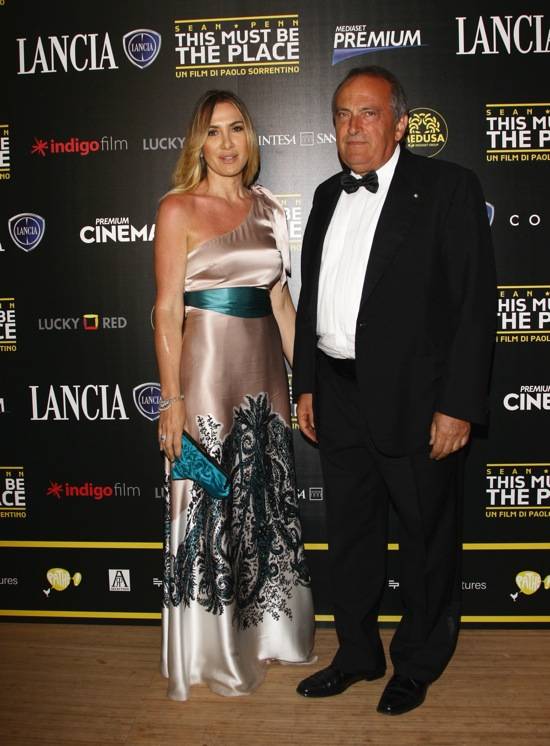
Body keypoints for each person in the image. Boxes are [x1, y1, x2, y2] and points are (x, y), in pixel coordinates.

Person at [293, 66, 496, 715]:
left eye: (369, 113)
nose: (353, 127)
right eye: (342, 114)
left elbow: (473, 308)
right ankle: (357, 652)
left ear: (401, 123)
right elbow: (311, 298)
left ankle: (418, 662)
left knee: (425, 540)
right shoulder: (325, 194)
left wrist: (458, 406)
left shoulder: (448, 189)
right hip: (337, 392)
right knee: (351, 537)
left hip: (418, 400)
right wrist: (306, 384)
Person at [154, 89, 314, 701]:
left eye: (237, 129)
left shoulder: (269, 207)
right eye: (215, 131)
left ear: (251, 137)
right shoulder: (178, 209)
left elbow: (281, 303)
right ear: (199, 143)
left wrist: (309, 383)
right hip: (205, 375)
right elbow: (166, 310)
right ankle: (210, 649)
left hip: (264, 373)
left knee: (263, 499)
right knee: (210, 497)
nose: (227, 143)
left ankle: (269, 634)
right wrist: (171, 400)